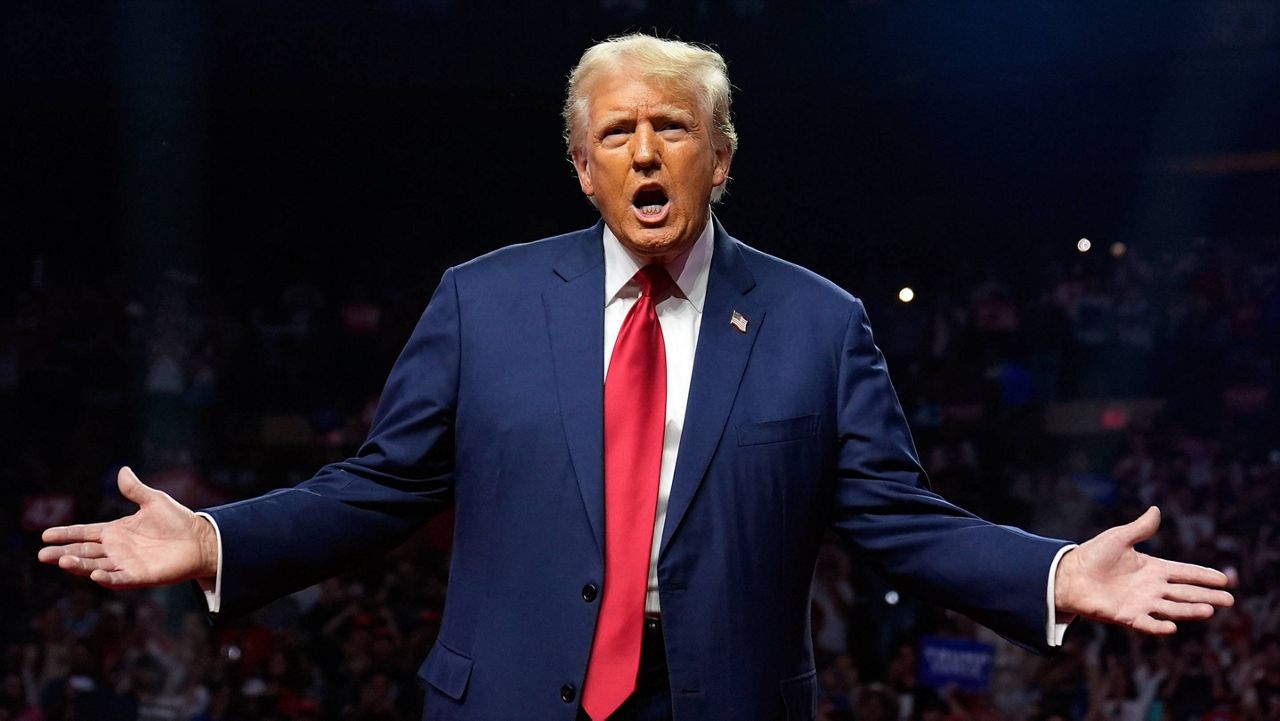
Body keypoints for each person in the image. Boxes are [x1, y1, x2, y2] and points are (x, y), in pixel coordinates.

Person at [38, 34, 1233, 721]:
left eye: (671, 127)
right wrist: (214, 539)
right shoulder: (481, 300)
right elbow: (379, 485)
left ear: (718, 156)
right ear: (580, 166)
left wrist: (1059, 571)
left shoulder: (818, 323)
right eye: (615, 133)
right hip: (505, 696)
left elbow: (891, 519)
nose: (644, 150)